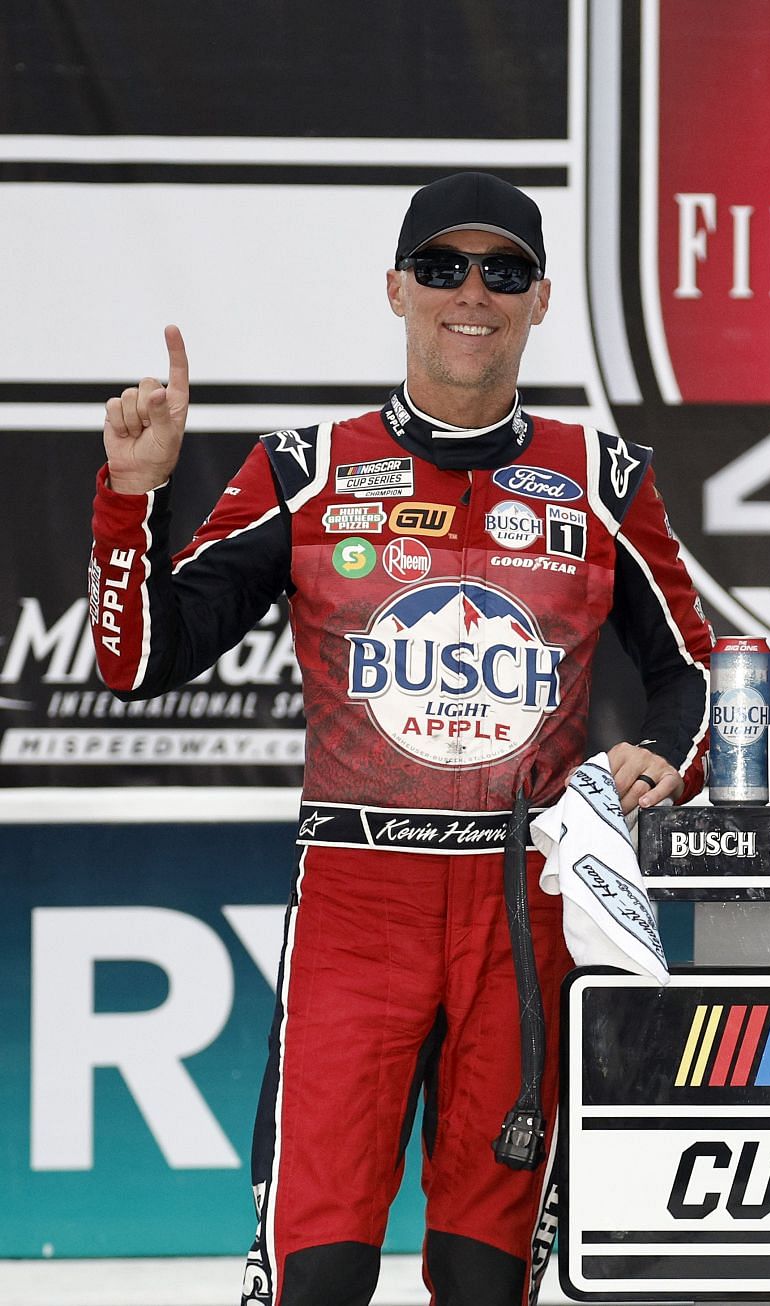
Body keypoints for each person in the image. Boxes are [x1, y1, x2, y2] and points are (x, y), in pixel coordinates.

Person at [88, 172, 715, 1306]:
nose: (470, 293)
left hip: (525, 913)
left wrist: (668, 758)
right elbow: (141, 660)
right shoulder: (305, 467)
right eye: (442, 267)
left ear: (540, 301)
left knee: (486, 1281)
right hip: (355, 901)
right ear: (395, 289)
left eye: (502, 271)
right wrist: (133, 498)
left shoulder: (604, 478)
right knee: (316, 1275)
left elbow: (693, 670)